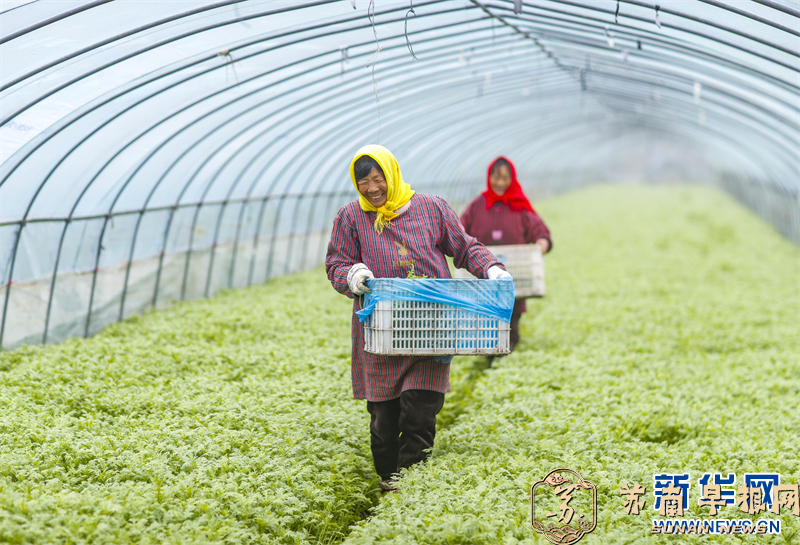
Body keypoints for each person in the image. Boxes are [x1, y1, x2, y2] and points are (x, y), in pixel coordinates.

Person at [325, 144, 510, 492]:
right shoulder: (350, 217)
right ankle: (387, 477)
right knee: (383, 418)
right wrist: (353, 274)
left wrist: (492, 268)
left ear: (391, 175)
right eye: (363, 183)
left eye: (378, 179)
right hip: (381, 329)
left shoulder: (430, 208)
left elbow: (465, 247)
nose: (372, 189)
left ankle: (408, 484)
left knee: (421, 410)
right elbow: (335, 262)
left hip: (431, 326)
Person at [460, 156, 552, 353]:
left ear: (512, 179)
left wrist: (539, 246)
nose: (500, 182)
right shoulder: (477, 206)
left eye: (505, 178)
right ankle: (489, 355)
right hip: (482, 280)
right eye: (496, 177)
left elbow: (541, 233)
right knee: (486, 324)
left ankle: (507, 352)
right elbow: (458, 231)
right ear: (489, 177)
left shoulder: (519, 206)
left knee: (511, 323)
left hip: (515, 277)